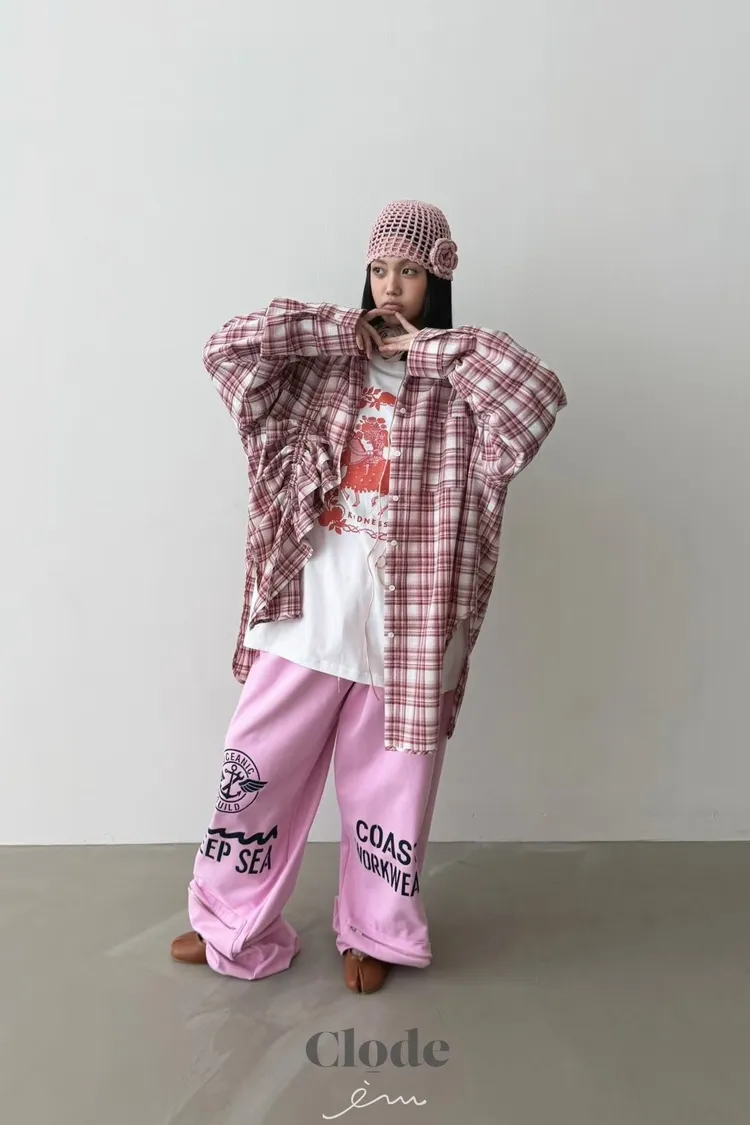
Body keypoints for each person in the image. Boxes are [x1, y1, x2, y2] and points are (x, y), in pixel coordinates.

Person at [170, 200, 567, 993]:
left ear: (436, 280)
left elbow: (538, 397)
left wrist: (437, 349)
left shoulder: (462, 391)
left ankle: (376, 928)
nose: (391, 285)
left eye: (410, 271)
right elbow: (225, 349)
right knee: (256, 765)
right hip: (307, 609)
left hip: (408, 628)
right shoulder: (320, 372)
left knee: (392, 788)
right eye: (380, 268)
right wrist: (332, 330)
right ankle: (230, 914)